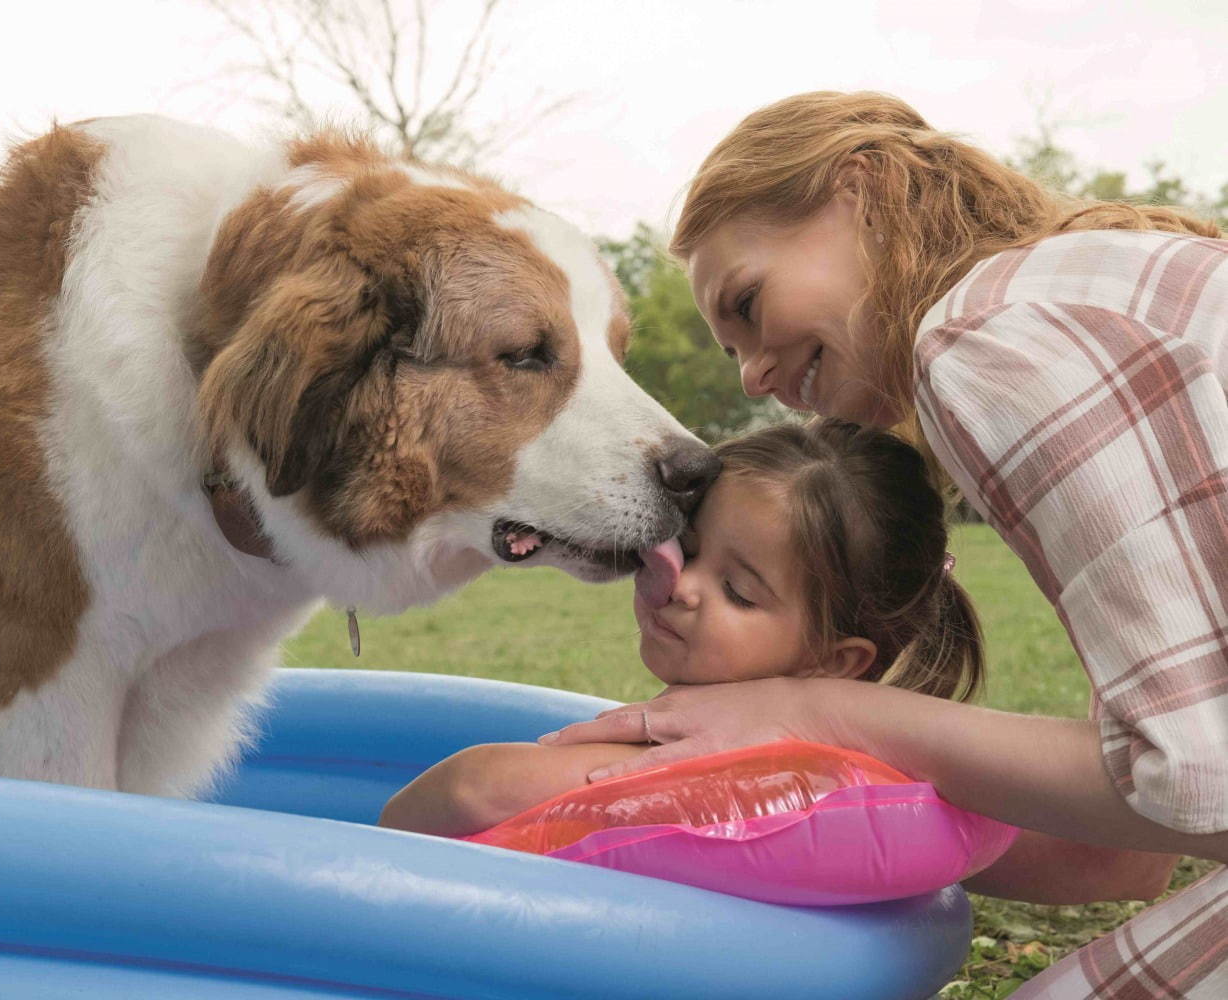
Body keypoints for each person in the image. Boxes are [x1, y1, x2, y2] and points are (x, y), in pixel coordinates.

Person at [541, 91, 1227, 997]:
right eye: (731, 349)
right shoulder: (1077, 286)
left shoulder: (990, 340)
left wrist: (824, 714)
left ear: (859, 190)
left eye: (748, 303)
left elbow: (1195, 792)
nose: (752, 374)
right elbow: (1125, 857)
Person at [380, 419, 984, 836]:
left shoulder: (773, 766)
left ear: (835, 662)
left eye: (739, 592)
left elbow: (474, 789)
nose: (685, 586)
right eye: (687, 549)